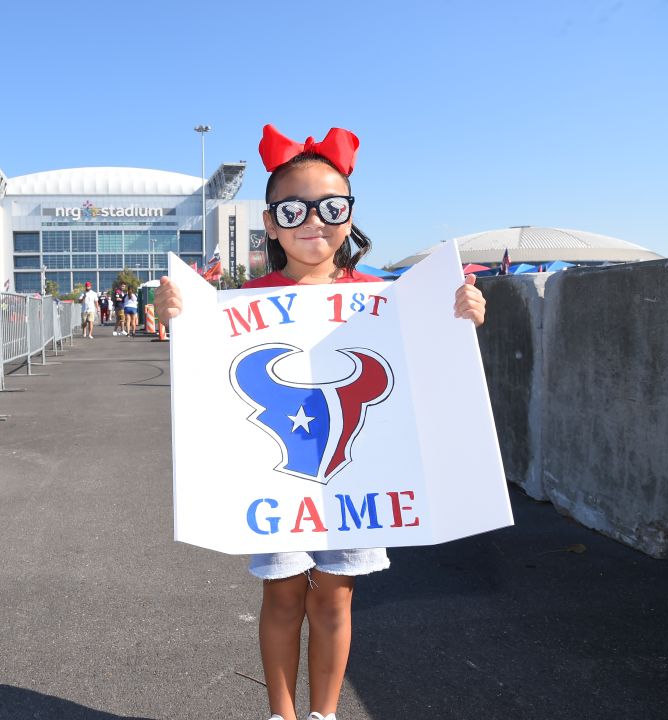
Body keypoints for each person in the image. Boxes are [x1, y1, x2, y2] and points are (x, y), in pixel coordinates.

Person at [154, 124, 487, 720]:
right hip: (275, 483)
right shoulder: (239, 301)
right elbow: (210, 378)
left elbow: (430, 362)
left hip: (359, 479)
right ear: (270, 221)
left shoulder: (388, 297)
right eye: (294, 208)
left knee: (335, 598)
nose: (314, 220)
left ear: (350, 214)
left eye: (332, 206)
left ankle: (324, 715)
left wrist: (460, 313)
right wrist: (178, 316)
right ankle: (282, 715)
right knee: (281, 596)